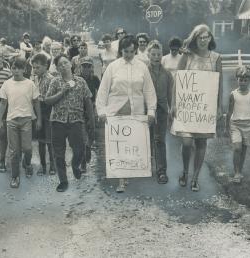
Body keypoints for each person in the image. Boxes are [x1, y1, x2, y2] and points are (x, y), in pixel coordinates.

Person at [96, 35, 157, 193]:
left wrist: (151, 111)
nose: (129, 54)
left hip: (136, 111)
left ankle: (131, 171)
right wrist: (101, 111)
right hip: (117, 110)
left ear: (135, 50)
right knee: (119, 145)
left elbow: (149, 90)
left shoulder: (142, 66)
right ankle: (121, 179)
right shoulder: (113, 67)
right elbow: (103, 90)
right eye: (125, 51)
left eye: (132, 51)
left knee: (132, 145)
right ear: (120, 50)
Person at [172, 24, 223, 192]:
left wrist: (218, 106)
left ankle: (195, 178)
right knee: (186, 142)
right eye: (200, 37)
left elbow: (219, 85)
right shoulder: (187, 57)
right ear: (195, 39)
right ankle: (185, 172)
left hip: (205, 108)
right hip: (187, 107)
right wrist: (174, 103)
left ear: (210, 38)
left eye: (206, 37)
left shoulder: (215, 58)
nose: (203, 40)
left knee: (201, 142)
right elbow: (177, 82)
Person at [45, 54, 95, 192]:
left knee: (79, 150)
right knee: (58, 153)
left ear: (71, 64)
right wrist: (62, 91)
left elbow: (88, 102)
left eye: (65, 63)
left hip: (76, 121)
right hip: (57, 121)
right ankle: (63, 181)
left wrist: (92, 121)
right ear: (57, 68)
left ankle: (75, 165)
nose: (63, 66)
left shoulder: (81, 81)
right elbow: (47, 100)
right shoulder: (55, 82)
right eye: (60, 64)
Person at [0, 58, 42, 188]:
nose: (16, 71)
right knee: (14, 151)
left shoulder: (30, 84)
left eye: (19, 68)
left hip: (26, 120)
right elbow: (3, 103)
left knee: (27, 148)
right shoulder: (6, 84)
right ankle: (15, 177)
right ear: (11, 69)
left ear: (24, 69)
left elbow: (36, 102)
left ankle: (27, 163)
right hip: (11, 120)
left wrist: (39, 119)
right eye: (13, 68)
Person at [226, 65, 250, 183]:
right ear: (237, 79)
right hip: (235, 124)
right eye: (241, 79)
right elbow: (229, 112)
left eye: (246, 80)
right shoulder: (233, 94)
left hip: (248, 125)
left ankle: (240, 170)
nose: (243, 82)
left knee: (243, 150)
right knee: (237, 148)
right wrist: (227, 127)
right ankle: (236, 173)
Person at [147, 40, 173, 184]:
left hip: (162, 110)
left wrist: (171, 110)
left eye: (159, 54)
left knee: (159, 141)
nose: (156, 57)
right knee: (146, 139)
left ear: (162, 55)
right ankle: (145, 167)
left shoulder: (167, 74)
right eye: (153, 54)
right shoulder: (143, 71)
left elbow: (170, 95)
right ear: (148, 55)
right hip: (146, 111)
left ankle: (161, 172)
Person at [30, 53, 56, 176]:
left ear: (46, 66)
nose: (35, 70)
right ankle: (43, 164)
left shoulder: (50, 79)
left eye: (37, 67)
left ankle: (52, 164)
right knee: (40, 140)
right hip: (38, 110)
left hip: (48, 111)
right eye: (33, 67)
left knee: (50, 140)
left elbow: (50, 99)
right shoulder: (35, 78)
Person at [79, 56, 101, 172]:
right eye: (84, 66)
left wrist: (98, 106)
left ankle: (89, 146)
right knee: (82, 135)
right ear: (80, 67)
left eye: (88, 66)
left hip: (91, 107)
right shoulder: (77, 78)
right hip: (80, 108)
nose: (86, 68)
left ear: (91, 67)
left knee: (92, 130)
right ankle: (83, 163)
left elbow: (102, 91)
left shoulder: (95, 79)